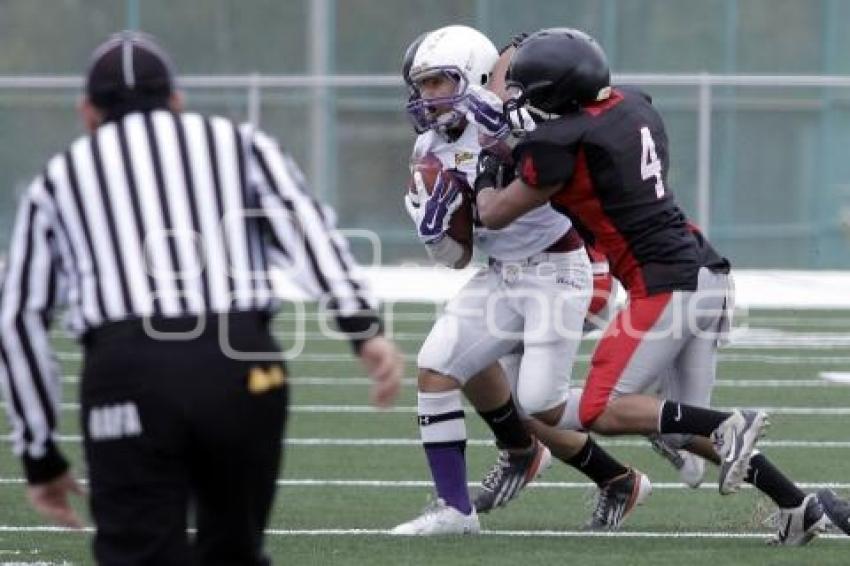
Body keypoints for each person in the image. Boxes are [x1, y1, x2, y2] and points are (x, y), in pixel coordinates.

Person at [0, 31, 403, 564]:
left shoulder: (58, 178)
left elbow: (19, 319)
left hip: (128, 369)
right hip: (240, 363)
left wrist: (39, 452)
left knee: (140, 553)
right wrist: (361, 330)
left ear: (87, 112)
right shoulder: (239, 142)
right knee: (233, 550)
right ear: (176, 100)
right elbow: (309, 231)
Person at [467, 27, 850, 545]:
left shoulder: (557, 145)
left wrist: (491, 160)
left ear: (558, 94)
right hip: (707, 273)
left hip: (663, 285)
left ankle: (728, 423)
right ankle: (798, 505)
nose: (518, 100)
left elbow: (492, 211)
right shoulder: (632, 106)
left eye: (529, 91)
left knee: (604, 409)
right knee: (677, 430)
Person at [390, 25, 649, 536]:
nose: (427, 96)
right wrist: (434, 231)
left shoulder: (520, 121)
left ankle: (656, 418)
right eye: (422, 84)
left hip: (560, 268)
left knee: (539, 405)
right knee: (436, 367)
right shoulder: (430, 146)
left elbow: (565, 170)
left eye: (440, 81)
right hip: (502, 276)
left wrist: (510, 141)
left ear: (476, 76)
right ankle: (455, 510)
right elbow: (458, 258)